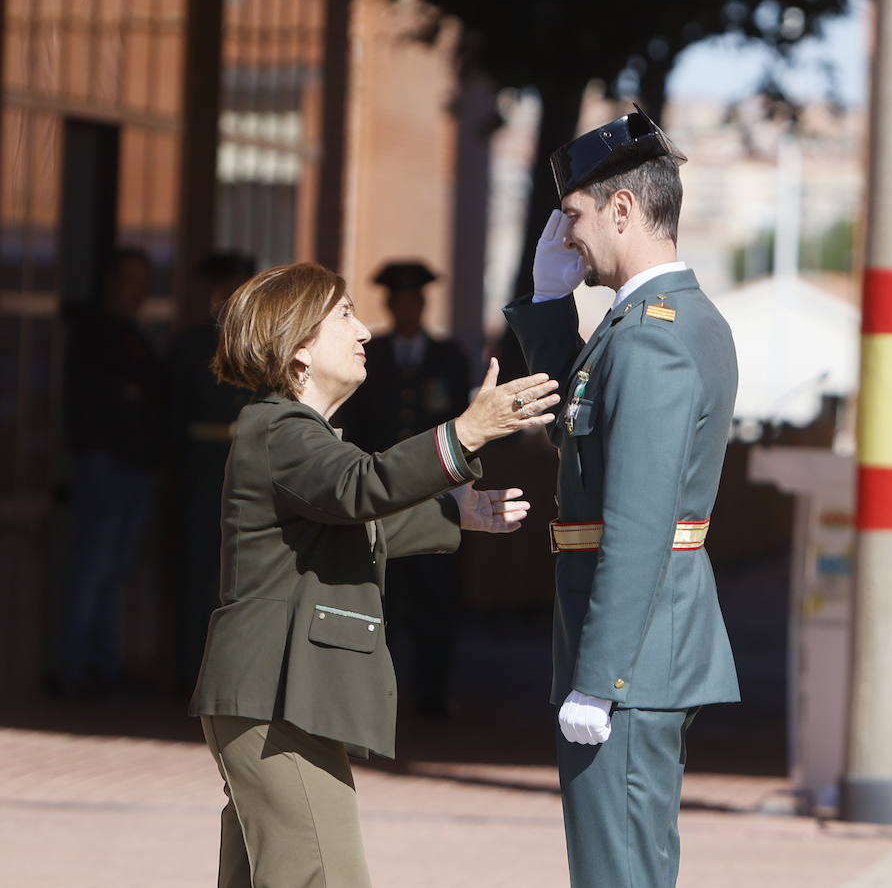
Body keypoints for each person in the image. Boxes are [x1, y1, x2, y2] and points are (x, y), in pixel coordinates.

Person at [189, 261, 559, 888]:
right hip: (277, 695)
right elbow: (359, 488)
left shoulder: (285, 432)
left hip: (276, 695)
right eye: (343, 316)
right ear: (297, 345)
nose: (364, 331)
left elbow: (352, 520)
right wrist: (467, 431)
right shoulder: (281, 429)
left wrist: (454, 512)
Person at [503, 106, 740, 888]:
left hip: (630, 662)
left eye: (572, 217)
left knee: (618, 875)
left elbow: (638, 521)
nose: (567, 236)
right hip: (640, 650)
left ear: (623, 208)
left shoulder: (650, 335)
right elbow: (583, 439)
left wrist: (598, 681)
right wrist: (544, 310)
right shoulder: (652, 324)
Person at [334, 261, 472, 717]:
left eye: (415, 300)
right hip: (380, 490)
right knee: (384, 597)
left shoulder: (448, 356)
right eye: (400, 301)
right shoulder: (369, 353)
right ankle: (379, 696)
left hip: (435, 489)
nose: (408, 308)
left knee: (436, 598)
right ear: (391, 305)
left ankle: (432, 695)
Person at [58, 246, 166, 697]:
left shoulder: (133, 334)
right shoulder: (96, 333)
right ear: (111, 284)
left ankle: (102, 665)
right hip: (105, 465)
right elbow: (99, 402)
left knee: (116, 571)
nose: (136, 292)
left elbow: (153, 390)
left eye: (143, 283)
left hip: (134, 466)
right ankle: (73, 668)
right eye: (128, 281)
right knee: (94, 568)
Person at [168, 250, 257, 695]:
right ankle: (188, 671)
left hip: (249, 471)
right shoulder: (190, 344)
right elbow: (172, 415)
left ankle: (235, 674)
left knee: (247, 575)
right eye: (226, 288)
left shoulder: (262, 344)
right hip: (202, 470)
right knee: (195, 570)